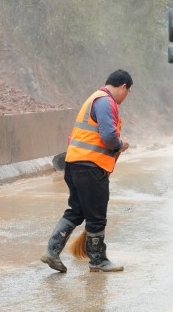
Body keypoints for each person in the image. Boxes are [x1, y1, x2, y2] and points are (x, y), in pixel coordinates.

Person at [42, 69, 133, 274]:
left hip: (75, 164)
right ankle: (98, 260)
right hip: (91, 167)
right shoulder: (105, 102)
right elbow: (109, 136)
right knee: (96, 216)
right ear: (123, 86)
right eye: (128, 92)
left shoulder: (93, 98)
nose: (126, 97)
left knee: (77, 210)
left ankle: (52, 251)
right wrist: (120, 144)